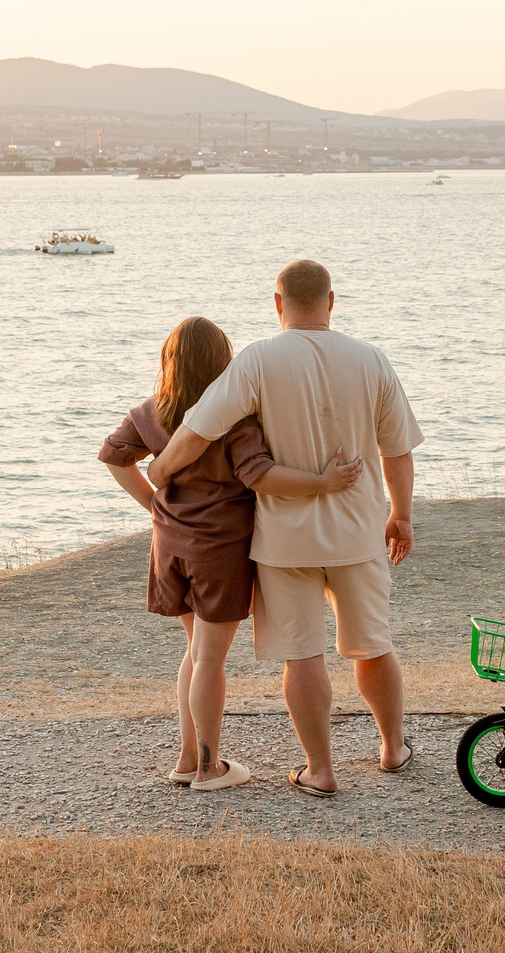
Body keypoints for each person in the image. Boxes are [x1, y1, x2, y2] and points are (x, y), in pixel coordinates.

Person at [145, 259, 422, 798]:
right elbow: (398, 450)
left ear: (277, 304)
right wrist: (401, 515)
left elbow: (198, 430)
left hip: (282, 541)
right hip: (358, 532)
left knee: (304, 655)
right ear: (331, 302)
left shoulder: (256, 360)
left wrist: (158, 473)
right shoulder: (371, 359)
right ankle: (392, 748)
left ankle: (320, 770)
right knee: (372, 645)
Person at [100, 314, 364, 792]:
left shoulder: (151, 412)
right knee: (209, 660)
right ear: (223, 362)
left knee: (196, 652)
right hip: (219, 550)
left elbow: (113, 455)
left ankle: (187, 759)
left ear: (171, 361)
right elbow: (260, 474)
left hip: (171, 546)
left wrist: (155, 505)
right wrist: (324, 483)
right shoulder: (233, 418)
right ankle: (207, 768)